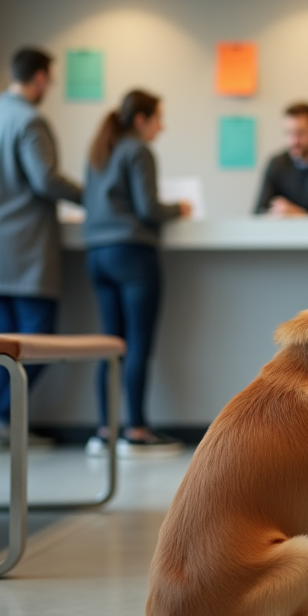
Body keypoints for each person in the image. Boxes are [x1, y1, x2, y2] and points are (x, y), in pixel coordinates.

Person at [0, 46, 82, 450]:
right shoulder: (30, 120)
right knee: (39, 339)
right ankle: (2, 419)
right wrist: (92, 197)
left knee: (2, 343)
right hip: (24, 249)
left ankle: (2, 423)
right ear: (41, 77)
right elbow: (45, 180)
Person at [82, 90, 190, 459]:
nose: (162, 127)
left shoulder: (101, 149)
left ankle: (104, 432)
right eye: (159, 119)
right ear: (141, 119)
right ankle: (137, 431)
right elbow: (148, 209)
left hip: (97, 254)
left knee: (109, 344)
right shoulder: (139, 150)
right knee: (138, 344)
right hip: (132, 254)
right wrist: (179, 208)